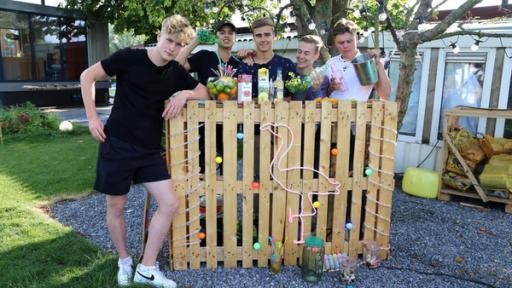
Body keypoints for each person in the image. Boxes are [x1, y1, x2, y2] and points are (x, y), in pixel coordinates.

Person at [80, 15, 208, 288]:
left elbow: (204, 92)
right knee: (117, 207)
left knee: (170, 204)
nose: (172, 48)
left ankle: (147, 268)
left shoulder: (174, 72)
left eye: (178, 44)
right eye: (169, 40)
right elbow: (87, 76)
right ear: (160, 34)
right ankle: (124, 261)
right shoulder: (130, 57)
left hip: (149, 150)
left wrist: (184, 94)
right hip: (117, 144)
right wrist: (92, 118)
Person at [323, 18, 391, 101]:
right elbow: (322, 95)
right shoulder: (331, 63)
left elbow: (385, 95)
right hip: (332, 111)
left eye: (349, 41)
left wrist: (379, 64)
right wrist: (331, 88)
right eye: (341, 42)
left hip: (359, 112)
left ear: (357, 39)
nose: (345, 46)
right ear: (335, 42)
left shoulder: (368, 63)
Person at [236, 17, 296, 99]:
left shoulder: (286, 65)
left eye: (267, 35)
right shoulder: (244, 67)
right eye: (259, 35)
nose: (263, 39)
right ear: (253, 37)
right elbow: (236, 100)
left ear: (274, 36)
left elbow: (296, 98)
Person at [176, 19, 240, 84]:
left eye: (230, 33)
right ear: (215, 36)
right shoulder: (204, 56)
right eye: (222, 33)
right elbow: (176, 68)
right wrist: (195, 42)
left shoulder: (239, 65)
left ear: (235, 38)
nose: (226, 35)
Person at [293, 35, 329, 101]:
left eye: (306, 53)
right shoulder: (287, 71)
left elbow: (319, 107)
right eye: (299, 51)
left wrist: (316, 89)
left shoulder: (321, 79)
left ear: (316, 55)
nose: (301, 56)